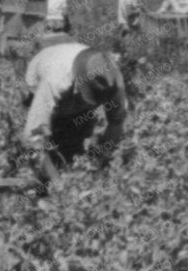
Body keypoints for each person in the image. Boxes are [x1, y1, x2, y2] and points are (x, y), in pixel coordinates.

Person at [21, 39, 132, 190]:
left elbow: (117, 121)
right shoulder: (56, 80)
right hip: (39, 81)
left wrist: (102, 160)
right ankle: (39, 183)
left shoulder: (112, 80)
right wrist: (57, 182)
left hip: (74, 92)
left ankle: (69, 156)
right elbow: (34, 137)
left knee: (74, 146)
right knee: (45, 158)